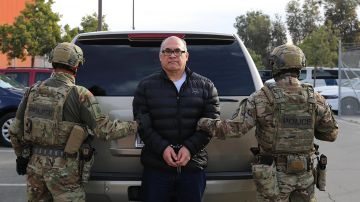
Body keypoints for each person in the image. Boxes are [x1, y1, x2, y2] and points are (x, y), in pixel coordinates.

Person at [197, 44, 338, 202]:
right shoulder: (316, 98)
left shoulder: (261, 98)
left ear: (274, 65)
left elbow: (232, 130)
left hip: (272, 178)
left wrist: (202, 122)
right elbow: (331, 134)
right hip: (305, 177)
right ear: (301, 65)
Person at [9, 42, 142, 202]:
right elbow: (104, 130)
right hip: (64, 170)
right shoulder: (80, 94)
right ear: (76, 65)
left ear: (52, 62)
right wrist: (137, 125)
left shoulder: (32, 91)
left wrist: (22, 156)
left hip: (35, 167)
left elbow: (15, 131)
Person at [133, 36, 220, 202]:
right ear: (160, 56)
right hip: (156, 168)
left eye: (177, 51)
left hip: (193, 167)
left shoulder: (205, 86)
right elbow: (143, 125)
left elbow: (211, 124)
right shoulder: (145, 86)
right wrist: (164, 149)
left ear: (186, 56)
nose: (172, 55)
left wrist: (189, 148)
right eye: (167, 51)